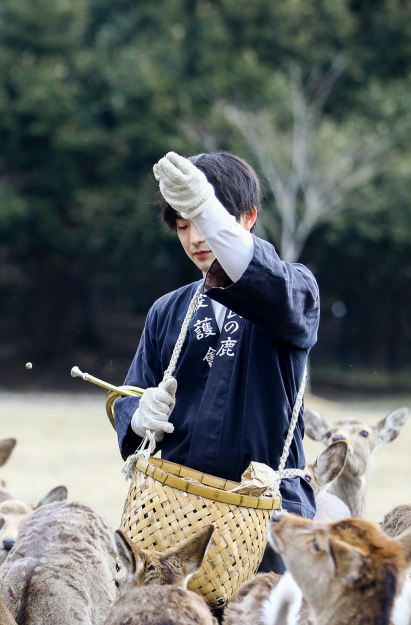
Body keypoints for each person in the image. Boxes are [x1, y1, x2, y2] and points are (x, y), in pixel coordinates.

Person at [113, 152, 320, 569]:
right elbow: (128, 396)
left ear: (248, 218)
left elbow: (264, 279)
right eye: (184, 226)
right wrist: (138, 416)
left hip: (269, 515)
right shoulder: (167, 310)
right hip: (172, 512)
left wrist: (206, 208)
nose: (195, 239)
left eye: (206, 223)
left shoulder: (294, 291)